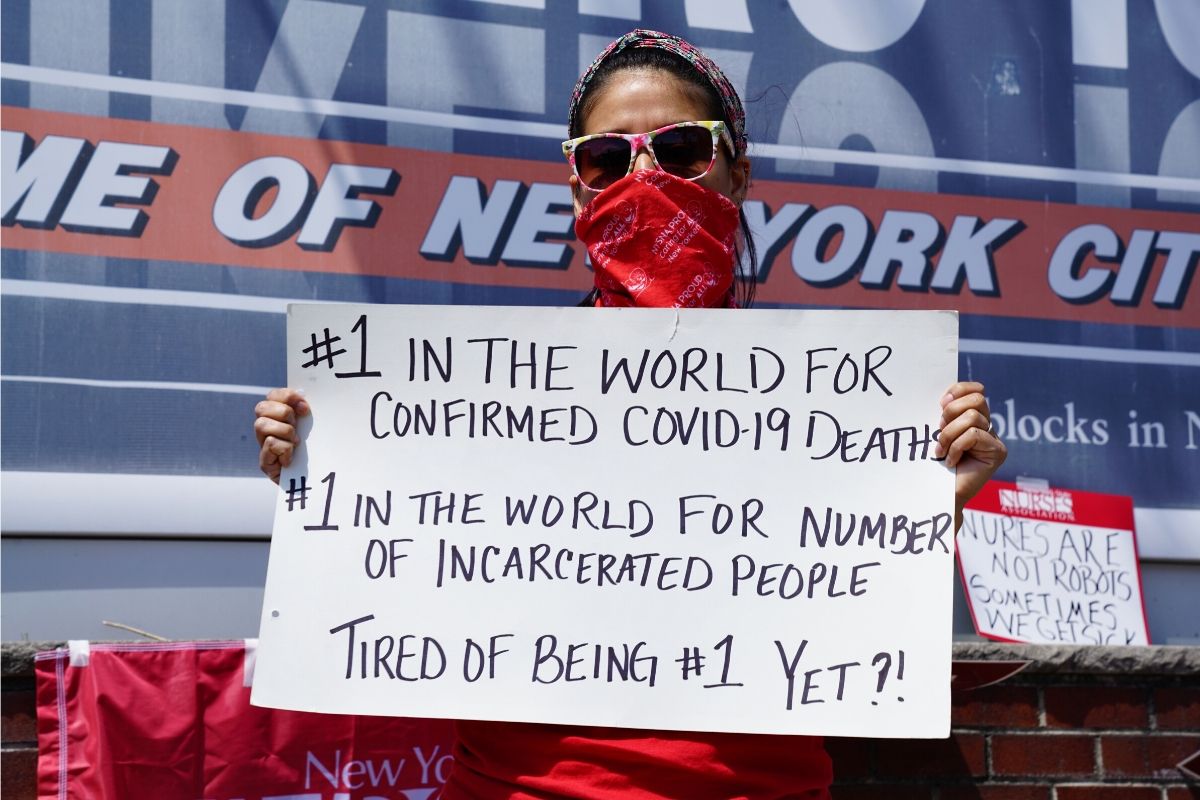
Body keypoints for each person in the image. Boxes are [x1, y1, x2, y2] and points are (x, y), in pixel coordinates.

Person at [254, 29, 1007, 799]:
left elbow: (840, 606)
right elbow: (401, 579)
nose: (644, 177)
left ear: (737, 173)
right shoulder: (477, 405)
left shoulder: (833, 413)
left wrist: (935, 498)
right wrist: (315, 458)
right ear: (578, 185)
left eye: (680, 150)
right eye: (608, 158)